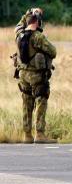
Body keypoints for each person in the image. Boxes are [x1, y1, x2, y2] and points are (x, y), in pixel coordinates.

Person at [15, 8, 57, 144]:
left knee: (26, 103)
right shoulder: (38, 37)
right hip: (37, 75)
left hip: (22, 75)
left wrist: (28, 12)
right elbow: (53, 51)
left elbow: (19, 25)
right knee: (41, 101)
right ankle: (39, 134)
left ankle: (27, 135)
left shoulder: (19, 35)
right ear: (38, 22)